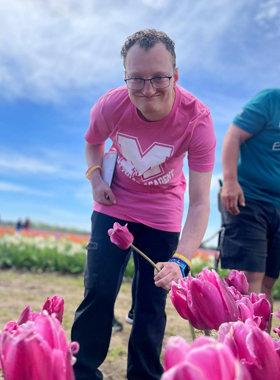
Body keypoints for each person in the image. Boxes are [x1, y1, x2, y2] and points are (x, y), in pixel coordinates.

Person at [71, 29, 216, 380]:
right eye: (136, 79)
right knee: (99, 289)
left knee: (152, 302)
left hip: (162, 214)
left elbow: (198, 204)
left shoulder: (198, 122)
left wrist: (180, 260)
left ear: (175, 75)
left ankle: (144, 375)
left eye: (159, 78)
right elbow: (93, 143)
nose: (148, 89)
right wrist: (95, 178)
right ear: (125, 77)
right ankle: (82, 371)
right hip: (113, 206)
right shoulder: (110, 105)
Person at [220, 88, 280, 331]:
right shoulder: (271, 101)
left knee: (268, 282)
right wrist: (230, 182)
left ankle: (262, 348)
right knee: (250, 278)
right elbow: (232, 137)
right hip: (249, 199)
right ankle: (242, 347)